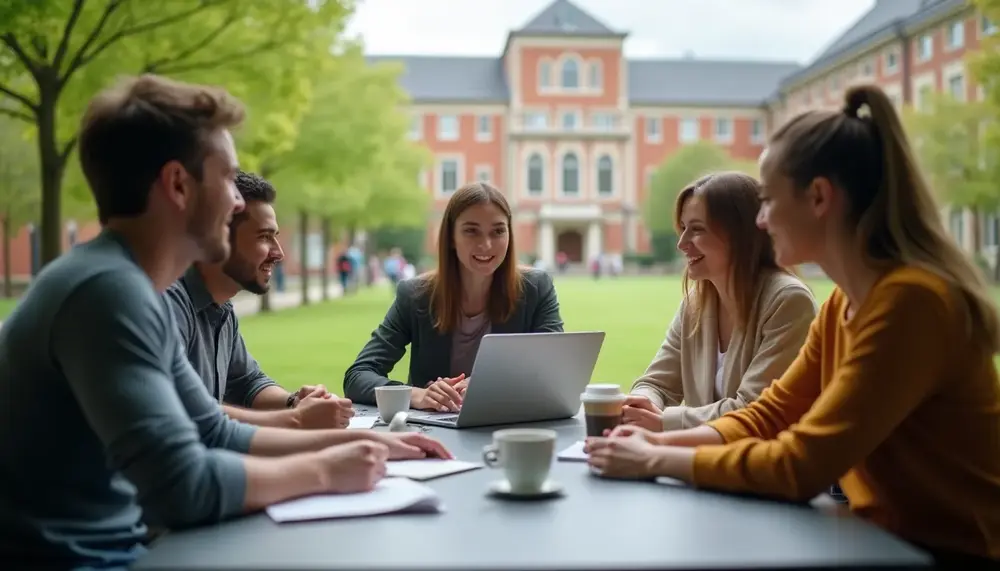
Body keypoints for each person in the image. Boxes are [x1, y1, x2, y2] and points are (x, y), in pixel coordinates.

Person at [0, 74, 450, 570]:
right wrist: (325, 469)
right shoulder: (107, 292)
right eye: (227, 179)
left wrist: (368, 441)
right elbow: (182, 487)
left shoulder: (125, 285)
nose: (238, 201)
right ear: (177, 185)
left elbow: (214, 431)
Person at [585, 84, 1000, 565]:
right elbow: (770, 415)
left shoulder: (911, 303)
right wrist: (655, 440)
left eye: (766, 200)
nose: (759, 221)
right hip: (881, 545)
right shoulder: (840, 305)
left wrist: (655, 458)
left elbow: (800, 463)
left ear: (819, 198)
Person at [344, 181, 564, 409]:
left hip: (509, 430)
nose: (486, 244)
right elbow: (358, 376)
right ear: (450, 237)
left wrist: (486, 384)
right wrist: (418, 395)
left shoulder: (536, 288)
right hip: (435, 432)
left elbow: (556, 371)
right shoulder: (415, 295)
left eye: (498, 231)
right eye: (471, 231)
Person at [625, 172, 817, 432]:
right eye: (683, 229)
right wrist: (643, 404)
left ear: (741, 234)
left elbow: (753, 409)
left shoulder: (789, 302)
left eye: (697, 230)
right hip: (706, 464)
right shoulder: (696, 304)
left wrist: (664, 422)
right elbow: (657, 384)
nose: (682, 244)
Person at [165, 170, 354, 429]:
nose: (279, 253)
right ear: (219, 236)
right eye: (265, 237)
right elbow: (178, 409)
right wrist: (295, 419)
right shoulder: (168, 302)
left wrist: (295, 402)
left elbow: (247, 382)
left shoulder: (221, 307)